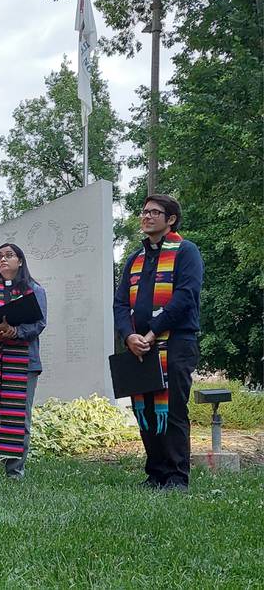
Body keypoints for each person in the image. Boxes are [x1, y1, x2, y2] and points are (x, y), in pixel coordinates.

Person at [114, 194, 203, 491]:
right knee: (147, 409)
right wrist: (129, 336)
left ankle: (177, 476)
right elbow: (120, 304)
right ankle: (155, 473)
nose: (147, 216)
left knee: (174, 409)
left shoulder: (186, 252)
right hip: (139, 345)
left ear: (171, 219)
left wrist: (152, 333)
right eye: (144, 211)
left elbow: (184, 297)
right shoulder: (134, 259)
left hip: (176, 342)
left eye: (154, 212)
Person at [0, 243, 47, 479]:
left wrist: (14, 331)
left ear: (21, 261)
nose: (3, 260)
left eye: (9, 255)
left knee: (19, 417)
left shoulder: (34, 289)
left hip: (23, 363)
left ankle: (15, 471)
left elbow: (39, 323)